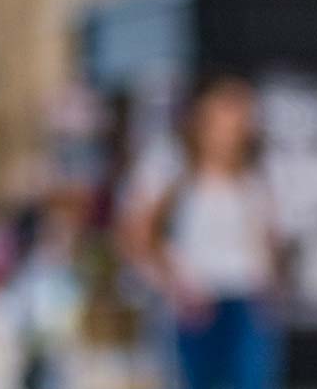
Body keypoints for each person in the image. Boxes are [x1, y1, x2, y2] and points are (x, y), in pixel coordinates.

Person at [119, 76, 286, 389]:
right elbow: (135, 232)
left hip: (247, 297)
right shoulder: (171, 163)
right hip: (196, 299)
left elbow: (267, 236)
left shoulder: (254, 173)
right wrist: (170, 282)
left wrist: (271, 284)